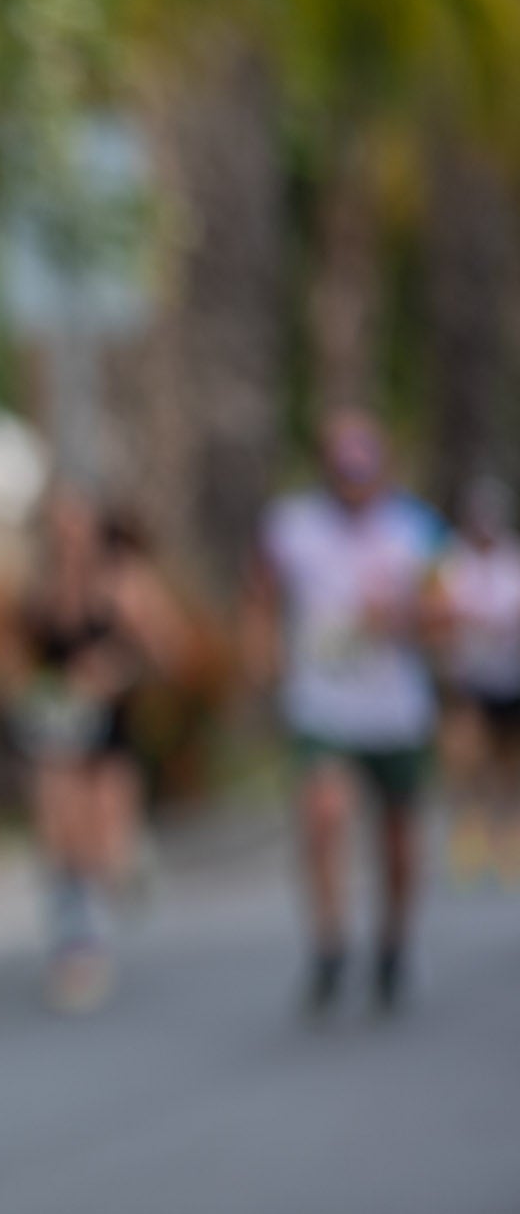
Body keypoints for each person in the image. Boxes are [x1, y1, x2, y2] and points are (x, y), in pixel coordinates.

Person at [246, 411, 443, 1017]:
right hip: (323, 703)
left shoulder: (417, 528)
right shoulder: (292, 525)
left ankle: (392, 943)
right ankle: (330, 944)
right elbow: (259, 595)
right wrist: (261, 660)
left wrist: (405, 617)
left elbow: (450, 612)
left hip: (396, 708)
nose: (352, 483)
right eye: (342, 472)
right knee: (324, 816)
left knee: (397, 839)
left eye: (363, 473)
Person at [9, 487, 186, 1012]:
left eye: (77, 524)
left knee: (104, 846)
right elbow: (16, 655)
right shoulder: (40, 588)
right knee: (59, 828)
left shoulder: (125, 583)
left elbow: (170, 656)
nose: (68, 537)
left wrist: (115, 668)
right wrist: (28, 689)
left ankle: (128, 865)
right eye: (58, 526)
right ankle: (77, 946)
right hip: (58, 728)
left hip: (112, 729)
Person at [432, 474, 520, 886]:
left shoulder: (512, 561)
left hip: (509, 676)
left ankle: (509, 836)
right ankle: (469, 835)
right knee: (467, 759)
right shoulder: (452, 561)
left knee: (508, 763)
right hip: (469, 677)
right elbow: (440, 613)